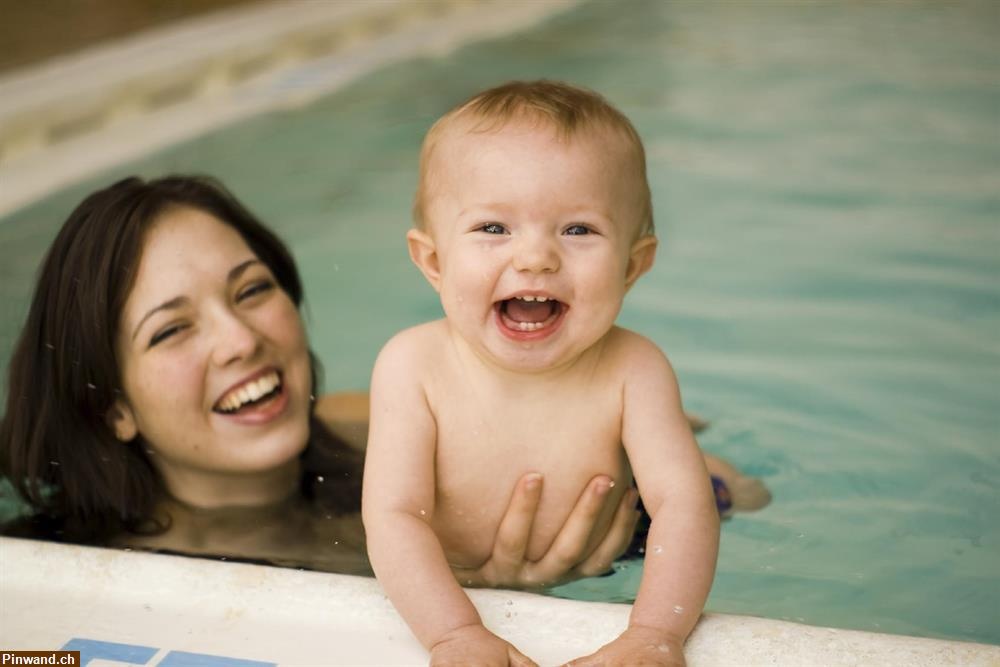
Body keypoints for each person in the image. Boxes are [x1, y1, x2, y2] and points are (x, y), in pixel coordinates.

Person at [0, 175, 645, 587]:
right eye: (171, 330)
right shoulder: (56, 576)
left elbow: (723, 474)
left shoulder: (371, 424)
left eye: (252, 290)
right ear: (112, 406)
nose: (242, 339)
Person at [363, 80, 739, 666]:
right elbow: (393, 516)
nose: (536, 257)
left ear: (632, 265)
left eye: (578, 230)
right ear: (434, 262)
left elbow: (682, 507)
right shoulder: (413, 367)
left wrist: (653, 635)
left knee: (726, 493)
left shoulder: (634, 368)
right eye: (494, 228)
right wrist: (454, 632)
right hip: (464, 582)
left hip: (621, 552)